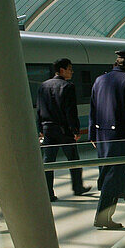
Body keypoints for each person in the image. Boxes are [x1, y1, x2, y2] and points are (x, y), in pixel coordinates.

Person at [89, 49, 125, 229]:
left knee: (122, 172)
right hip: (120, 137)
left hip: (102, 136)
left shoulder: (99, 80)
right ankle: (102, 217)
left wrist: (92, 133)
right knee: (113, 176)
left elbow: (93, 108)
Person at [37, 58, 89, 201]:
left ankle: (48, 193)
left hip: (48, 129)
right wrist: (75, 130)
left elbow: (39, 110)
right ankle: (78, 187)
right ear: (62, 70)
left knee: (48, 162)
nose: (72, 72)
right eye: (70, 69)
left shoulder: (43, 86)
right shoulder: (67, 86)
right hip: (64, 130)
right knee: (73, 159)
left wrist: (40, 128)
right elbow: (70, 111)